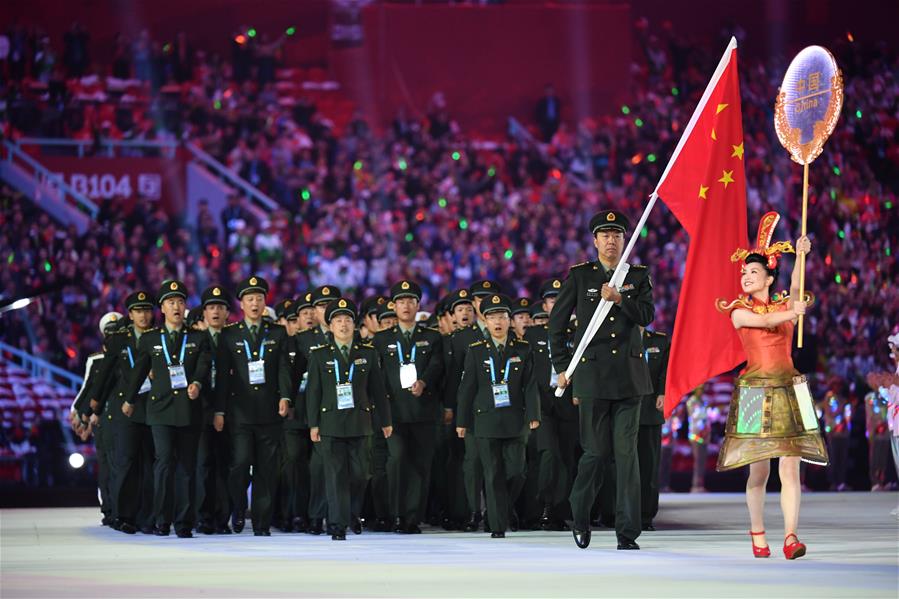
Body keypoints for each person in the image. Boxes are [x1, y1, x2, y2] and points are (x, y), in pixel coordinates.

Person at [715, 212, 829, 560]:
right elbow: (765, 319)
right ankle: (757, 532)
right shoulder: (737, 310)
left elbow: (795, 290)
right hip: (754, 391)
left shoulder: (784, 302)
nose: (745, 277)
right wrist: (793, 313)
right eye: (743, 273)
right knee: (759, 469)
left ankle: (791, 536)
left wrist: (801, 255)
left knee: (791, 467)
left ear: (768, 276)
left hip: (789, 388)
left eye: (752, 272)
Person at [550, 210, 654, 551]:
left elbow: (648, 316)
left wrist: (621, 299)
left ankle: (627, 532)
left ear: (625, 240)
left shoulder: (636, 276)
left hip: (629, 379)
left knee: (627, 457)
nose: (611, 240)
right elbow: (557, 324)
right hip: (592, 378)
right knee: (594, 453)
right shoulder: (580, 276)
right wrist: (565, 366)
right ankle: (579, 515)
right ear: (594, 241)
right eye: (604, 234)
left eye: (617, 234)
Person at [124, 280, 212, 538]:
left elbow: (204, 366)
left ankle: (184, 522)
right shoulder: (151, 339)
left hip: (188, 410)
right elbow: (139, 370)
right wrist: (129, 399)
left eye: (181, 302)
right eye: (171, 302)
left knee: (186, 467)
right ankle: (162, 520)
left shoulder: (197, 337)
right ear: (162, 308)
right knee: (163, 464)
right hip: (160, 410)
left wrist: (196, 382)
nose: (176, 306)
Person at [306, 298, 393, 540]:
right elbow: (313, 392)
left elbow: (378, 390)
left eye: (347, 320)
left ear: (354, 325)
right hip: (331, 423)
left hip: (360, 422)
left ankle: (352, 512)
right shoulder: (319, 355)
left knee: (360, 474)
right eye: (338, 320)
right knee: (334, 475)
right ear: (330, 325)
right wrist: (313, 424)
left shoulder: (368, 353)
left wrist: (386, 421)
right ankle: (337, 523)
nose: (343, 325)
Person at [213, 276, 294, 536]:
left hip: (270, 410)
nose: (255, 303)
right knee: (240, 463)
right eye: (250, 299)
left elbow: (284, 368)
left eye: (259, 298)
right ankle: (238, 507)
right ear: (242, 304)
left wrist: (285, 397)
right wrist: (220, 410)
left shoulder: (277, 332)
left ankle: (261, 522)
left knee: (266, 469)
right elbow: (223, 376)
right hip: (239, 412)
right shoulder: (229, 334)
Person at [456, 293, 540, 538]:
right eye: (492, 317)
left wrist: (534, 413)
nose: (498, 322)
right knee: (492, 474)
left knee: (516, 471)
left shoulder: (523, 349)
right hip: (485, 419)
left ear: (510, 320)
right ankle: (497, 525)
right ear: (486, 320)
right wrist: (462, 421)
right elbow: (467, 388)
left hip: (515, 419)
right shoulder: (476, 351)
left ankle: (503, 507)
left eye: (502, 316)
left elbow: (531, 384)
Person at [373, 280, 445, 534]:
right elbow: (376, 377)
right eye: (401, 301)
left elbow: (437, 366)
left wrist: (424, 382)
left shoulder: (432, 337)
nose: (406, 306)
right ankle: (395, 514)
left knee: (420, 465)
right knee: (397, 460)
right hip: (394, 413)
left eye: (410, 301)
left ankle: (412, 518)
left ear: (418, 305)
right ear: (393, 306)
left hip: (424, 411)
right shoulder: (381, 339)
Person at [89, 291, 157, 535]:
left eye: (147, 310)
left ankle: (148, 517)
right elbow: (105, 371)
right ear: (130, 314)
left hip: (153, 406)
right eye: (139, 311)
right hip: (126, 409)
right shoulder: (120, 339)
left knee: (150, 464)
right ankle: (122, 515)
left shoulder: (158, 336)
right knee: (125, 463)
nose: (144, 315)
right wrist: (92, 406)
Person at [526, 278, 580, 531]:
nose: (556, 304)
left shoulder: (579, 333)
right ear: (544, 306)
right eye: (551, 300)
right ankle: (543, 507)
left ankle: (559, 510)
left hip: (570, 399)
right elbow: (526, 373)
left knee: (567, 456)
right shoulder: (533, 333)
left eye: (561, 299)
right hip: (542, 400)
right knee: (549, 453)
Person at [194, 285, 233, 535]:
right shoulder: (195, 339)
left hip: (231, 411)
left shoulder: (234, 338)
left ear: (228, 312)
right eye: (211, 307)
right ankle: (203, 516)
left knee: (226, 465)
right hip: (201, 411)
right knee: (203, 465)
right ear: (204, 312)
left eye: (220, 307)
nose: (216, 311)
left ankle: (222, 517)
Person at [637, 327, 669, 531]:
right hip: (620, 409)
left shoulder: (660, 341)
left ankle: (645, 516)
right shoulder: (616, 336)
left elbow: (668, 369)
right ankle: (617, 512)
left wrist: (664, 392)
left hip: (649, 411)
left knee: (648, 467)